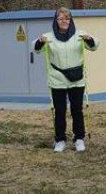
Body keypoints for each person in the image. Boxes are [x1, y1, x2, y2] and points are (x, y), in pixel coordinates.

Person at [33, 8, 98, 152]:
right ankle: (60, 140)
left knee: (77, 110)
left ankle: (79, 139)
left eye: (67, 19)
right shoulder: (48, 36)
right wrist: (39, 41)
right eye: (61, 19)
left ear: (71, 20)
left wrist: (90, 39)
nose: (64, 21)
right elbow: (36, 49)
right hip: (57, 80)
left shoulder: (80, 34)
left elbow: (94, 46)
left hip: (77, 79)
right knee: (60, 111)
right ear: (56, 20)